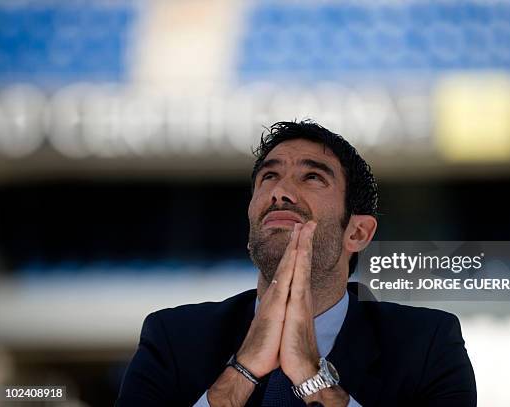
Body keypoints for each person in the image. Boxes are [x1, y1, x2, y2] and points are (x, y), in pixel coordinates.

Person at [116, 120, 476, 406]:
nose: (279, 191)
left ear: (358, 233)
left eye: (312, 176)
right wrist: (241, 372)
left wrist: (311, 376)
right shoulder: (173, 337)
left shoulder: (427, 344)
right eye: (268, 176)